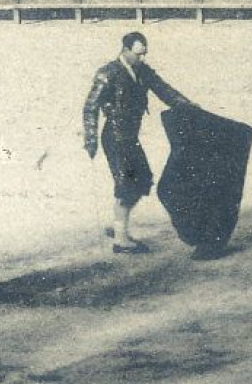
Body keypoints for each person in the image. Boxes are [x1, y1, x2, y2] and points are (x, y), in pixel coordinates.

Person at [83, 33, 197, 253]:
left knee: (143, 180)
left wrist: (187, 105)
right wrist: (90, 138)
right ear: (125, 50)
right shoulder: (108, 73)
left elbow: (164, 90)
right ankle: (120, 240)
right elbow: (91, 107)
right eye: (138, 54)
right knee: (126, 185)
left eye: (144, 54)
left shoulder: (142, 71)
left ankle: (118, 226)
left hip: (130, 136)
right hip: (114, 137)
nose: (142, 59)